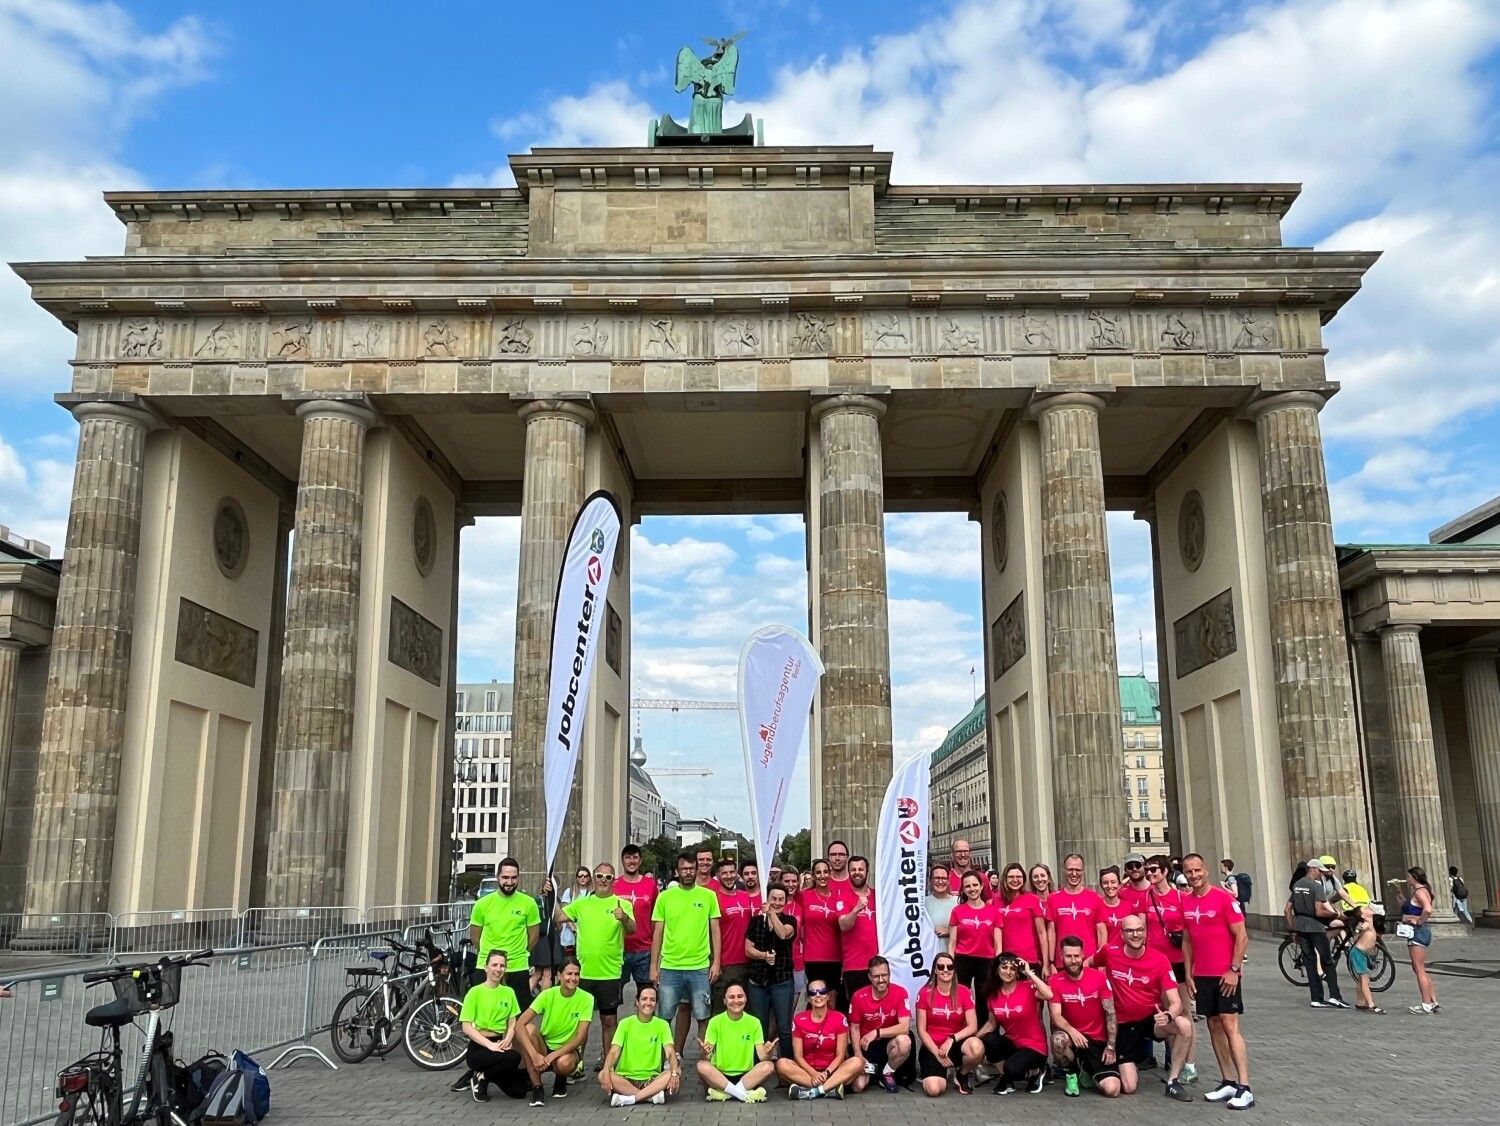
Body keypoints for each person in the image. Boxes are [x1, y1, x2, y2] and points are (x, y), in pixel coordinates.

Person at [1180, 853, 1253, 1109]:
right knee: (1212, 1025)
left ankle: (1245, 1087)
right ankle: (1228, 1081)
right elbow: (1187, 940)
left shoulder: (1224, 898)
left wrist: (1234, 970)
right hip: (1202, 974)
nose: (1194, 875)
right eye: (1189, 872)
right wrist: (1188, 973)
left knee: (1230, 1025)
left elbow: (1242, 936)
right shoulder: (1186, 902)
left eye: (1197, 870)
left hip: (1225, 973)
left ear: (1206, 870)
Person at [1097, 916, 1194, 1102]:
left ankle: (1173, 1081)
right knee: (1129, 1087)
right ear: (1122, 934)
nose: (1136, 934)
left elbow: (1176, 1002)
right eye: (1130, 931)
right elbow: (1085, 967)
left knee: (1184, 1024)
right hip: (1123, 1025)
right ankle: (1116, 1065)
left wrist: (1168, 1014)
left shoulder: (1159, 959)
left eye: (1140, 930)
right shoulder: (1109, 952)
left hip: (1151, 1019)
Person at [557, 861, 634, 1053]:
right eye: (599, 876)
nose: (603, 880)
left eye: (608, 877)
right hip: (583, 973)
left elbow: (633, 929)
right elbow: (558, 917)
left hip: (609, 973)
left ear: (613, 880)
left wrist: (623, 917)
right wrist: (550, 894)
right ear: (593, 878)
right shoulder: (582, 903)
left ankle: (608, 1062)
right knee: (580, 1021)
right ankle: (577, 1063)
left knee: (609, 1021)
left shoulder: (622, 903)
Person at [651, 850, 722, 1053]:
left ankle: (703, 1061)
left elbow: (715, 930)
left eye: (691, 868)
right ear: (677, 871)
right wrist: (653, 967)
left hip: (699, 967)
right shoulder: (665, 897)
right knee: (664, 1019)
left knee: (702, 1017)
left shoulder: (708, 896)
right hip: (670, 966)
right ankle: (666, 1060)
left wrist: (716, 962)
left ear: (696, 870)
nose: (688, 872)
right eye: (684, 869)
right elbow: (658, 932)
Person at [965, 954, 1054, 1096]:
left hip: (1034, 1046)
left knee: (1012, 1068)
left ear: (1017, 972)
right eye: (1004, 967)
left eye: (1013, 968)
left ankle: (1037, 1071)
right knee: (989, 1040)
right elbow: (991, 1024)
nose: (1008, 972)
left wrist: (1030, 973)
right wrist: (973, 1039)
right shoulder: (993, 995)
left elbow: (1049, 995)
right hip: (1013, 1043)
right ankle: (1009, 1079)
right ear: (996, 970)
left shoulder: (1028, 987)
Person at [1047, 935, 1122, 1099]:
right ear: (1061, 957)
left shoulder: (1099, 977)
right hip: (1072, 1038)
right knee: (1058, 1039)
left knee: (1112, 1090)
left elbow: (1110, 1012)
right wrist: (1072, 1031)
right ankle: (1071, 1075)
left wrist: (1111, 1046)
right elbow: (1055, 1016)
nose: (1073, 960)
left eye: (1076, 956)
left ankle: (1087, 1069)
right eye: (1068, 956)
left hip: (1097, 1040)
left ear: (1083, 956)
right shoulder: (1055, 981)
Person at [517, 959, 594, 1105]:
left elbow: (580, 1037)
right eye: (569, 973)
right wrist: (534, 1055)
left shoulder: (587, 998)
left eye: (576, 974)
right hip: (545, 1043)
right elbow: (520, 1023)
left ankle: (561, 1079)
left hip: (567, 1049)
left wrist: (553, 1055)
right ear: (559, 975)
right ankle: (537, 1087)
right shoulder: (547, 995)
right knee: (528, 1029)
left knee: (564, 1063)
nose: (573, 978)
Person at [469, 858, 541, 1006]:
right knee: (485, 1019)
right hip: (487, 966)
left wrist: (521, 953)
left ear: (518, 878)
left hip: (517, 966)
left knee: (521, 1020)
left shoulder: (529, 903)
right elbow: (475, 937)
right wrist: (490, 956)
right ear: (498, 877)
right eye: (505, 877)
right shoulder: (481, 904)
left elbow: (534, 936)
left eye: (514, 877)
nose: (509, 882)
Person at [775, 977, 864, 1099]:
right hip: (807, 1072)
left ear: (828, 996)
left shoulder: (839, 1018)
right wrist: (814, 1074)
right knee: (781, 1064)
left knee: (857, 1062)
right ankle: (830, 1089)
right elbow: (798, 1056)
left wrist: (826, 1073)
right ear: (808, 998)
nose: (818, 995)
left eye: (822, 992)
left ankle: (815, 1091)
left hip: (833, 1071)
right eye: (813, 993)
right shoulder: (799, 1020)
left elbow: (840, 1055)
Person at [460, 951, 528, 1102]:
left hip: (499, 1043)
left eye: (502, 965)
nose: (498, 969)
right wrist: (490, 1045)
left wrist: (508, 1038)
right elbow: (466, 1027)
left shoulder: (508, 992)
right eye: (494, 965)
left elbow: (512, 1022)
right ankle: (480, 1076)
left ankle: (486, 1075)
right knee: (513, 1057)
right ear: (486, 968)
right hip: (479, 1046)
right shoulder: (474, 992)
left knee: (519, 1092)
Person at [600, 983, 679, 1107]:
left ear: (656, 1004)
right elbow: (614, 1051)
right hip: (626, 1079)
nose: (648, 1003)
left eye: (652, 1000)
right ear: (637, 1002)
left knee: (674, 1071)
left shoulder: (662, 1025)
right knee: (602, 1074)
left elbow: (670, 1052)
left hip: (652, 1079)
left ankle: (630, 1099)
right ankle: (650, 1097)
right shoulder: (625, 1023)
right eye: (644, 999)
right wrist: (605, 1070)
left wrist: (674, 1073)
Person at [1286, 858, 1349, 1009]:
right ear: (1312, 869)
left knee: (1310, 962)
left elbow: (1287, 909)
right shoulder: (1316, 887)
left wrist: (1291, 928)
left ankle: (1316, 998)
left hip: (1301, 927)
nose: (1321, 874)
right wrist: (1336, 915)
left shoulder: (1297, 885)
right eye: (1319, 871)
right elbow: (1319, 911)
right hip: (1315, 927)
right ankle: (1335, 996)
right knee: (1328, 961)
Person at [696, 982, 774, 1102]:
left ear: (746, 998)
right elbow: (707, 1057)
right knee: (701, 1066)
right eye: (731, 997)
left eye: (740, 996)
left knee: (768, 1066)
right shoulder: (715, 1021)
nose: (736, 1001)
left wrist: (768, 1052)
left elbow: (763, 1057)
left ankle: (727, 1094)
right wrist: (704, 1052)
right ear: (724, 1001)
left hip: (746, 1076)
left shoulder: (754, 1022)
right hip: (720, 1076)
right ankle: (742, 1094)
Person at [744, 885, 797, 1060]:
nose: (777, 902)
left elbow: (782, 934)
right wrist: (763, 956)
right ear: (768, 898)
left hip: (782, 981)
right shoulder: (756, 921)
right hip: (758, 981)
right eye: (774, 899)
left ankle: (787, 1069)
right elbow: (748, 949)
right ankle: (757, 1066)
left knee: (784, 1028)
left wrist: (772, 913)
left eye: (781, 899)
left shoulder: (790, 920)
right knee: (759, 1027)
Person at [913, 955, 978, 1096]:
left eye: (950, 967)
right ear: (935, 970)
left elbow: (973, 1026)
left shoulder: (964, 992)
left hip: (954, 1044)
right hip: (933, 1047)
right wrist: (937, 1053)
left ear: (954, 970)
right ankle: (940, 1071)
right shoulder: (925, 993)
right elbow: (921, 1029)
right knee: (934, 1090)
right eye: (941, 967)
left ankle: (961, 1074)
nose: (945, 970)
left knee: (976, 1047)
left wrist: (951, 1039)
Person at [848, 956, 912, 1093]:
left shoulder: (900, 992)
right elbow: (854, 1028)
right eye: (876, 976)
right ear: (869, 977)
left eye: (884, 975)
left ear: (889, 975)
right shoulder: (858, 996)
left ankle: (887, 1073)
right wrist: (858, 1054)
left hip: (890, 1044)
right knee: (858, 1087)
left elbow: (905, 1027)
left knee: (904, 1041)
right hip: (868, 1047)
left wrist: (876, 1032)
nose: (881, 980)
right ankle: (873, 1074)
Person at [1142, 854, 1190, 1018]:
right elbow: (1143, 929)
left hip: (1177, 959)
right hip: (1156, 959)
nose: (1149, 873)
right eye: (1147, 870)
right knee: (1166, 1009)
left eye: (1153, 869)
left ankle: (1187, 1044)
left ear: (1165, 871)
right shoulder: (1146, 897)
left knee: (1184, 1010)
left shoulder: (1180, 897)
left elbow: (1188, 932)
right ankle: (1173, 1045)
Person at [798, 859, 849, 1010]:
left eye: (825, 872)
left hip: (834, 957)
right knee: (816, 997)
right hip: (813, 957)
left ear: (830, 874)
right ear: (813, 876)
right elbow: (798, 923)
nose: (822, 876)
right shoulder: (804, 896)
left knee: (832, 997)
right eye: (818, 872)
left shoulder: (838, 898)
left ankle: (831, 1032)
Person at [711, 857, 754, 1014]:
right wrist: (715, 962)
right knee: (722, 1011)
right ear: (718, 875)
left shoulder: (745, 896)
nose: (729, 876)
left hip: (748, 961)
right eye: (724, 873)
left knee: (746, 1011)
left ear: (737, 874)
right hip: (726, 963)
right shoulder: (714, 899)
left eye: (732, 872)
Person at [1045, 853, 1107, 965]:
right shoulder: (1053, 899)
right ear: (1064, 870)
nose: (1074, 873)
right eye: (1070, 869)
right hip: (1062, 961)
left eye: (1078, 870)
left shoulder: (1095, 898)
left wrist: (1100, 960)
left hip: (1088, 961)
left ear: (1083, 871)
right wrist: (1051, 962)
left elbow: (1101, 932)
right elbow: (1051, 932)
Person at [616, 845, 658, 997]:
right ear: (622, 861)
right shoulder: (614, 885)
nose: (631, 861)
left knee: (646, 997)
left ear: (640, 861)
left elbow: (655, 917)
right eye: (628, 857)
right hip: (620, 949)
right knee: (613, 998)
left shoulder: (650, 885)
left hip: (644, 950)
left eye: (635, 857)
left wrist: (655, 947)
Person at [948, 871, 997, 1000]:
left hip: (987, 960)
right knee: (961, 997)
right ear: (963, 890)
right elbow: (952, 942)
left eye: (975, 885)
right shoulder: (957, 911)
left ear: (981, 887)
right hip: (963, 959)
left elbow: (998, 943)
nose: (972, 889)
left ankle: (982, 1021)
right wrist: (950, 963)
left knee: (984, 998)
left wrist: (998, 964)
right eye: (968, 886)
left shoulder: (994, 912)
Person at [837, 856, 879, 1004]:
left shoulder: (878, 896)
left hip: (878, 965)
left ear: (867, 871)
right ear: (848, 872)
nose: (857, 872)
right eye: (853, 869)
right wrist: (856, 909)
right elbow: (844, 925)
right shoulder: (843, 897)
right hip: (854, 965)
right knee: (857, 1011)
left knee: (877, 1009)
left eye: (860, 869)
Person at [1400, 866, 1441, 1015]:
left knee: (1419, 969)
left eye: (1409, 876)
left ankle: (1426, 1004)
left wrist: (1418, 921)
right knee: (1419, 968)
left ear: (1415, 877)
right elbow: (1413, 908)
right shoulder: (1421, 891)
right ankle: (1432, 1001)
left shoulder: (1419, 891)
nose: (1407, 879)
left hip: (1418, 932)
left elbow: (1428, 909)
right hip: (1419, 931)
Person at [994, 862, 1047, 974]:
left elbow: (1042, 933)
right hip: (1006, 960)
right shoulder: (995, 901)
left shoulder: (1032, 899)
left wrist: (1046, 964)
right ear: (1004, 879)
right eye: (1011, 877)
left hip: (1030, 959)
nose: (1015, 880)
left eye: (1018, 877)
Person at [1347, 903, 1385, 1015]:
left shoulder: (1370, 921)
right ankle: (1371, 1005)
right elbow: (1360, 929)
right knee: (1365, 980)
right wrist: (1358, 930)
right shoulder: (1366, 923)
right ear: (1364, 916)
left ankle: (1360, 1002)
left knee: (1361, 979)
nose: (1368, 908)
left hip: (1362, 953)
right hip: (1358, 953)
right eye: (1366, 909)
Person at [778, 868, 808, 1004]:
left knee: (791, 1010)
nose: (790, 884)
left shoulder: (800, 906)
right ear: (780, 882)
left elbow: (803, 936)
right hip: (777, 964)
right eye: (787, 881)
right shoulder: (774, 905)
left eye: (794, 881)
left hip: (796, 963)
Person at [1097, 867, 1129, 948]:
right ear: (1101, 885)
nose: (1109, 886)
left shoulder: (1129, 908)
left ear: (1119, 883)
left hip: (1125, 956)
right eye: (1105, 883)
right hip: (1106, 955)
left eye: (1113, 882)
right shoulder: (1096, 907)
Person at [925, 864, 957, 945]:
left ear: (948, 881)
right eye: (936, 878)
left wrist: (949, 931)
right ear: (930, 881)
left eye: (943, 878)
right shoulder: (923, 903)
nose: (940, 881)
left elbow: (968, 929)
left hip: (951, 954)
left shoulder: (957, 902)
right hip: (930, 955)